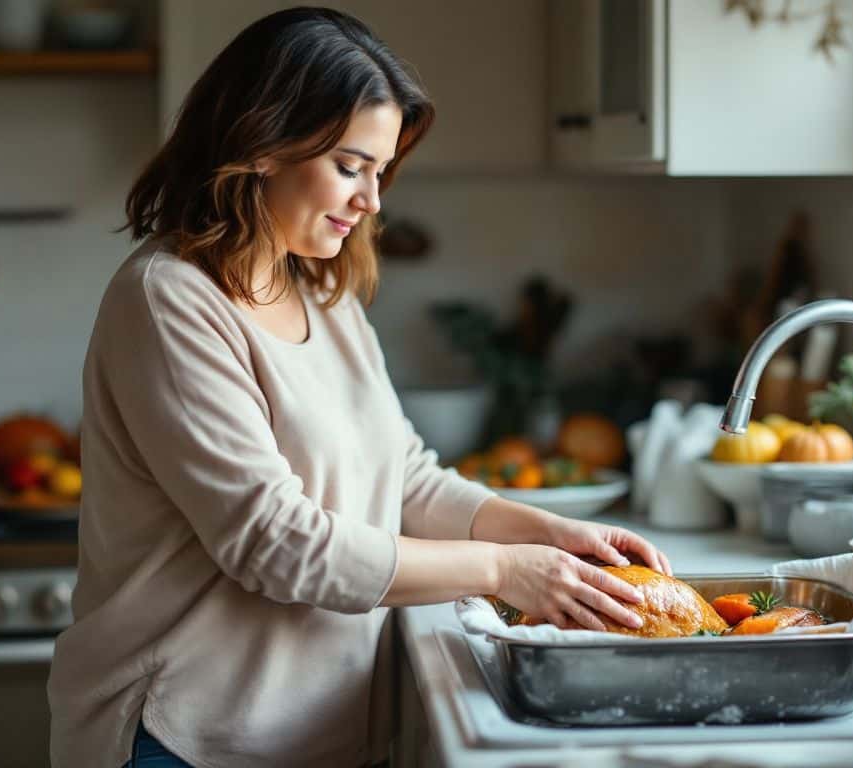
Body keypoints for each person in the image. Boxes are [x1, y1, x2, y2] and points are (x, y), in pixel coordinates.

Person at [46, 7, 672, 768]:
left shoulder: (318, 290)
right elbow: (274, 544)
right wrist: (506, 571)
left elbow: (402, 477)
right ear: (261, 144)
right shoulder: (167, 299)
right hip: (182, 736)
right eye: (350, 166)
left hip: (318, 729)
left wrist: (546, 534)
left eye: (379, 172)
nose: (372, 201)